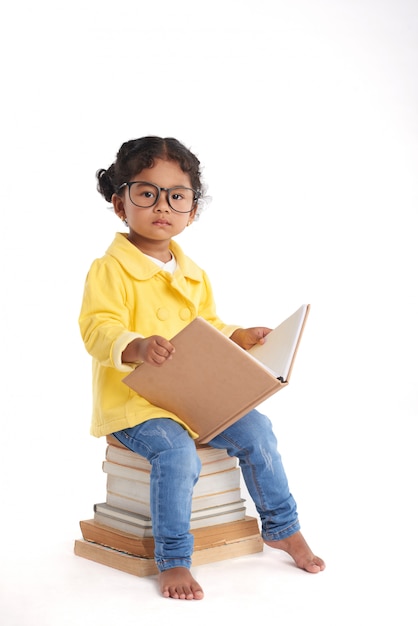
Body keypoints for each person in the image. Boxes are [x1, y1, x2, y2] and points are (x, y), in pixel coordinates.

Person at [79, 136, 325, 600]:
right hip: (135, 406)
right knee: (176, 454)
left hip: (193, 399)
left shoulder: (193, 273)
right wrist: (135, 346)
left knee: (258, 431)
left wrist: (237, 337)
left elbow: (206, 326)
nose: (163, 206)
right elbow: (98, 328)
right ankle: (173, 559)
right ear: (119, 204)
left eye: (178, 196)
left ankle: (282, 526)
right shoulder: (108, 270)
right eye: (146, 193)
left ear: (192, 210)